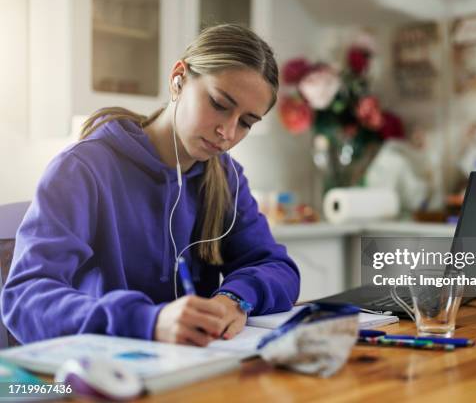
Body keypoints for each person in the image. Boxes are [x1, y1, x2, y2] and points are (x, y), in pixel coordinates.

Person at [1, 24, 300, 346]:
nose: (227, 132)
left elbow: (276, 267)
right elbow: (25, 298)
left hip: (190, 368)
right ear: (179, 79)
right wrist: (148, 321)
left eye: (245, 123)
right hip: (100, 374)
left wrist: (234, 298)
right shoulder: (83, 168)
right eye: (219, 104)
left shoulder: (226, 177)